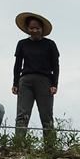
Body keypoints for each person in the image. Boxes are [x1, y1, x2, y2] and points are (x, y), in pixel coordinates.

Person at [12, 11, 59, 144]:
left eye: (37, 28)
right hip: (25, 80)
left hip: (45, 81)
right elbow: (17, 65)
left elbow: (56, 66)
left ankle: (50, 148)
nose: (34, 30)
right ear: (27, 29)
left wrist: (55, 84)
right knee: (22, 115)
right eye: (32, 28)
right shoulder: (22, 44)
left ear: (42, 29)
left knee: (46, 116)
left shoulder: (50, 44)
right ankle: (18, 145)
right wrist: (15, 83)